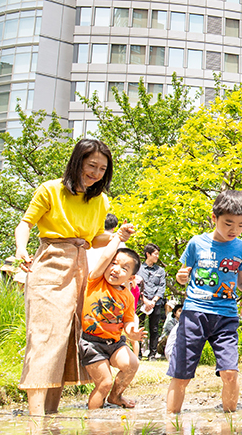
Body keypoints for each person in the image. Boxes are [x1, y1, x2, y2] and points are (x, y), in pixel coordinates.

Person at [15, 138, 115, 415]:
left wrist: (119, 237)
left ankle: (51, 413)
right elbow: (26, 223)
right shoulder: (50, 189)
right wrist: (21, 250)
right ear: (77, 162)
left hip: (79, 265)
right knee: (45, 334)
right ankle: (36, 417)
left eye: (102, 169)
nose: (95, 173)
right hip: (50, 260)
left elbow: (95, 239)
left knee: (68, 336)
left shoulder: (101, 200)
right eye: (91, 165)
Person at [166, 190, 242, 413]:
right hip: (195, 313)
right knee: (181, 373)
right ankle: (171, 424)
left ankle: (229, 428)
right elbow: (181, 273)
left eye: (241, 225)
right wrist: (181, 276)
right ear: (214, 218)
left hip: (226, 316)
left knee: (230, 372)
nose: (234, 230)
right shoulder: (196, 244)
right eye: (228, 223)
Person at [80, 223, 145, 409]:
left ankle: (116, 397)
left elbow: (127, 321)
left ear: (131, 278)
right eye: (114, 264)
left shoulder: (127, 296)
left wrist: (132, 333)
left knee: (132, 364)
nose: (116, 269)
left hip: (114, 343)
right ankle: (93, 421)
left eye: (125, 268)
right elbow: (105, 256)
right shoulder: (95, 280)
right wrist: (118, 238)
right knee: (104, 383)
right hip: (91, 342)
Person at [137, 244, 167, 359]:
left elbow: (161, 287)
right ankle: (138, 353)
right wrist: (144, 300)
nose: (157, 256)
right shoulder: (138, 269)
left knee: (154, 328)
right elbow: (136, 286)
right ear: (148, 254)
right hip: (141, 302)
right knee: (139, 326)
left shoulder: (160, 271)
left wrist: (153, 301)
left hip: (156, 303)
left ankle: (152, 353)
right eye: (155, 254)